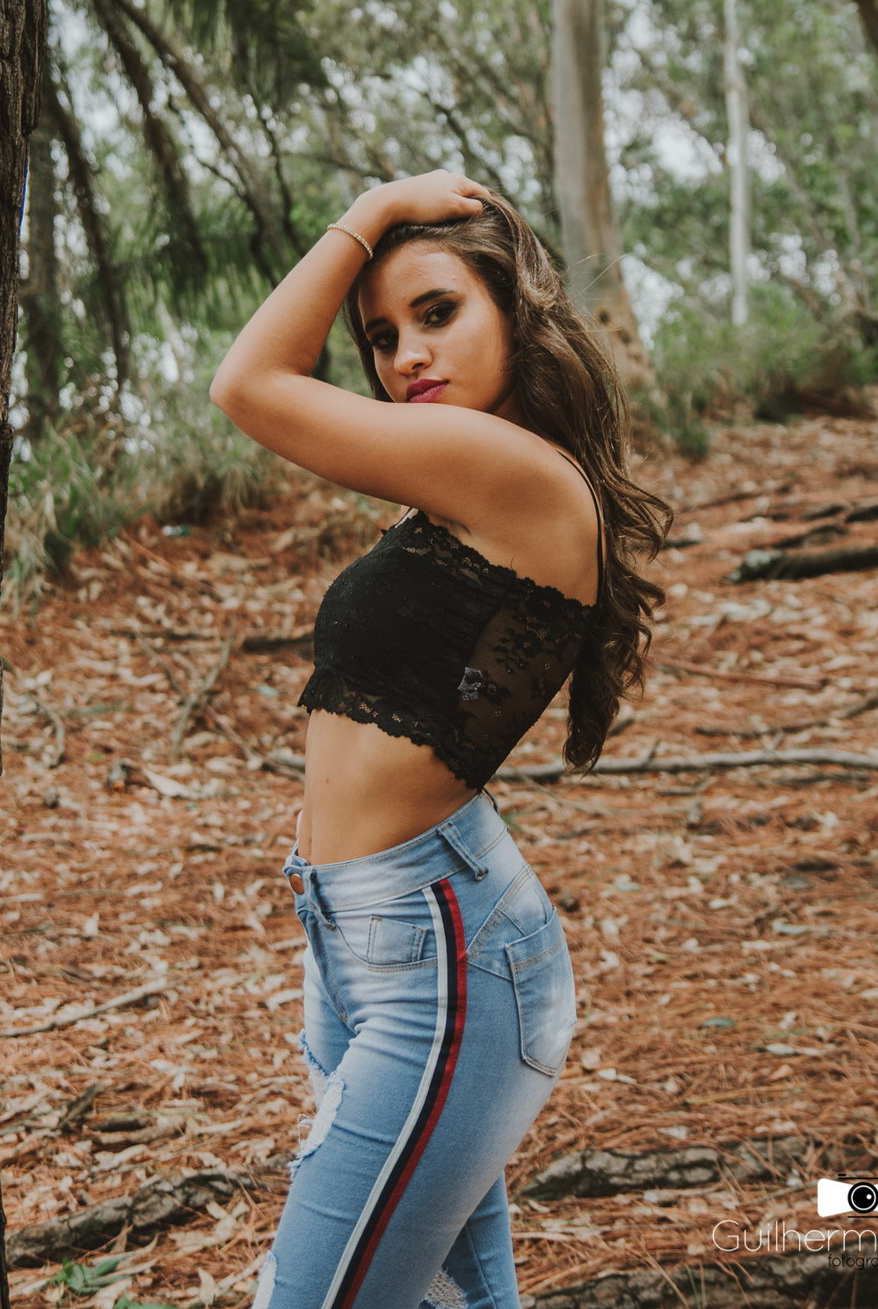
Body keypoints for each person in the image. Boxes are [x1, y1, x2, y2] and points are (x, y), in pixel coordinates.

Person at [209, 171, 669, 1309]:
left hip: (441, 966)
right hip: (370, 937)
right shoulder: (481, 475)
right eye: (380, 336)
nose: (406, 355)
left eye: (438, 312)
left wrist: (370, 208)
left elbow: (249, 385)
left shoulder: (513, 472)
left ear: (516, 310)